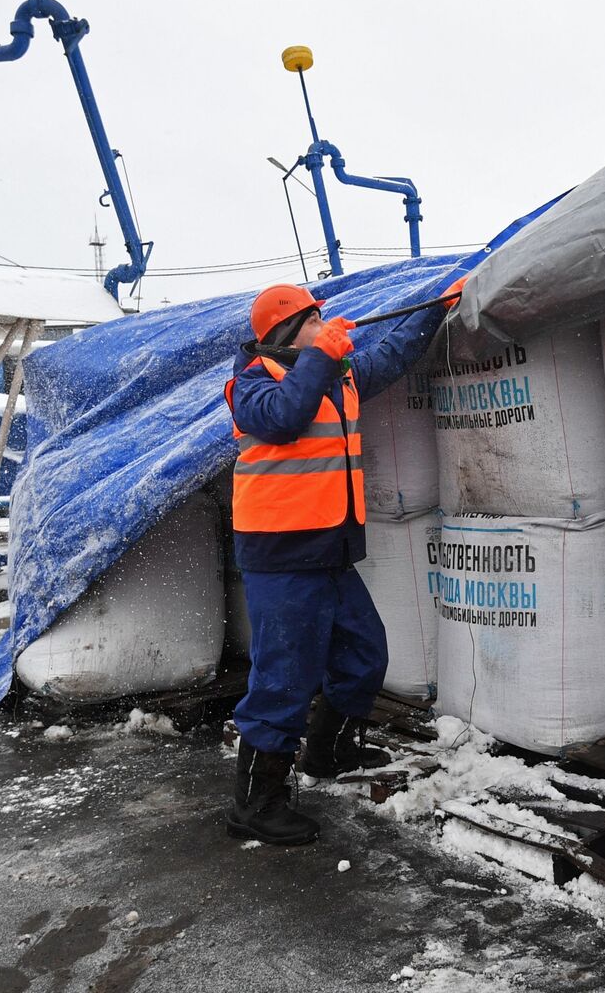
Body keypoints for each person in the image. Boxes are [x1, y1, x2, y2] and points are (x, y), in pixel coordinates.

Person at [223, 276, 464, 846]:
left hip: (329, 550)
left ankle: (329, 755)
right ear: (284, 331)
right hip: (280, 555)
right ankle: (254, 805)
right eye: (312, 322)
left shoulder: (338, 376)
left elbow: (391, 354)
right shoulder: (252, 385)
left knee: (363, 653)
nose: (324, 328)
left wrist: (437, 306)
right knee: (283, 680)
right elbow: (285, 415)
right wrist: (323, 356)